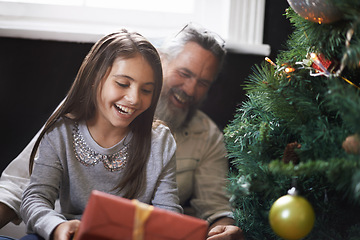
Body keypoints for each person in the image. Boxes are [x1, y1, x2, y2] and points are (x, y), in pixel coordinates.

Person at [0, 23, 244, 240]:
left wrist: (224, 228)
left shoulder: (179, 139)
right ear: (162, 61)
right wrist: (55, 227)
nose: (190, 89)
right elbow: (23, 184)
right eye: (184, 73)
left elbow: (205, 207)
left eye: (203, 83)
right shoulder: (69, 121)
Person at [18, 29, 182, 240]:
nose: (134, 98)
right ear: (95, 78)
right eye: (123, 84)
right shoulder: (61, 132)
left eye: (146, 90)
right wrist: (57, 227)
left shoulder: (161, 141)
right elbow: (35, 197)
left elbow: (169, 214)